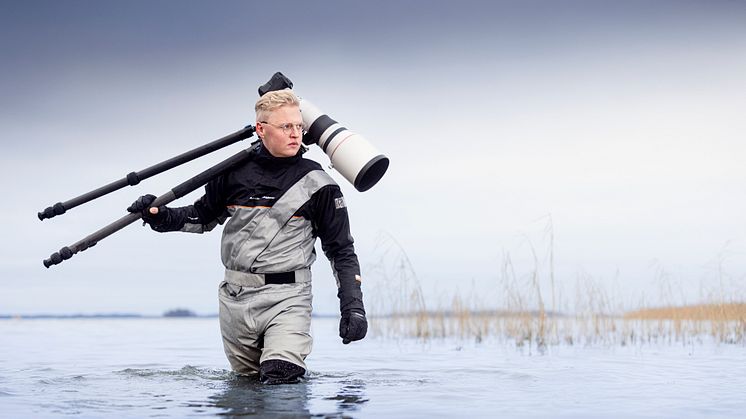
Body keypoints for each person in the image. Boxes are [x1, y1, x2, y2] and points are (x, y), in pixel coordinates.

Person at [127, 89, 367, 384]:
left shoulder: (321, 185)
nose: (295, 134)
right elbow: (201, 218)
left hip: (288, 299)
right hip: (234, 300)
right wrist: (160, 216)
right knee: (246, 391)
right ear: (261, 130)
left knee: (281, 379)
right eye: (285, 127)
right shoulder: (232, 173)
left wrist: (353, 307)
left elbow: (342, 250)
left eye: (298, 126)